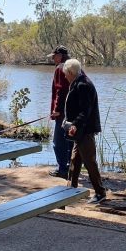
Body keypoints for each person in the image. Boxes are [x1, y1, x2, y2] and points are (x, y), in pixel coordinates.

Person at [62, 58, 107, 204]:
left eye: (65, 74)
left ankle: (100, 193)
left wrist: (74, 124)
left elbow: (85, 110)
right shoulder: (79, 81)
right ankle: (71, 189)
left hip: (85, 131)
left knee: (89, 162)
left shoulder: (83, 85)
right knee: (75, 160)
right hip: (80, 131)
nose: (65, 76)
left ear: (70, 72)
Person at [48, 45, 72, 179]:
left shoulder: (60, 68)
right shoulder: (73, 67)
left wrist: (56, 110)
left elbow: (60, 90)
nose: (52, 58)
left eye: (54, 56)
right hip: (71, 112)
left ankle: (63, 170)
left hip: (62, 113)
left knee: (58, 142)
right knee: (69, 140)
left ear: (60, 56)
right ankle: (69, 167)